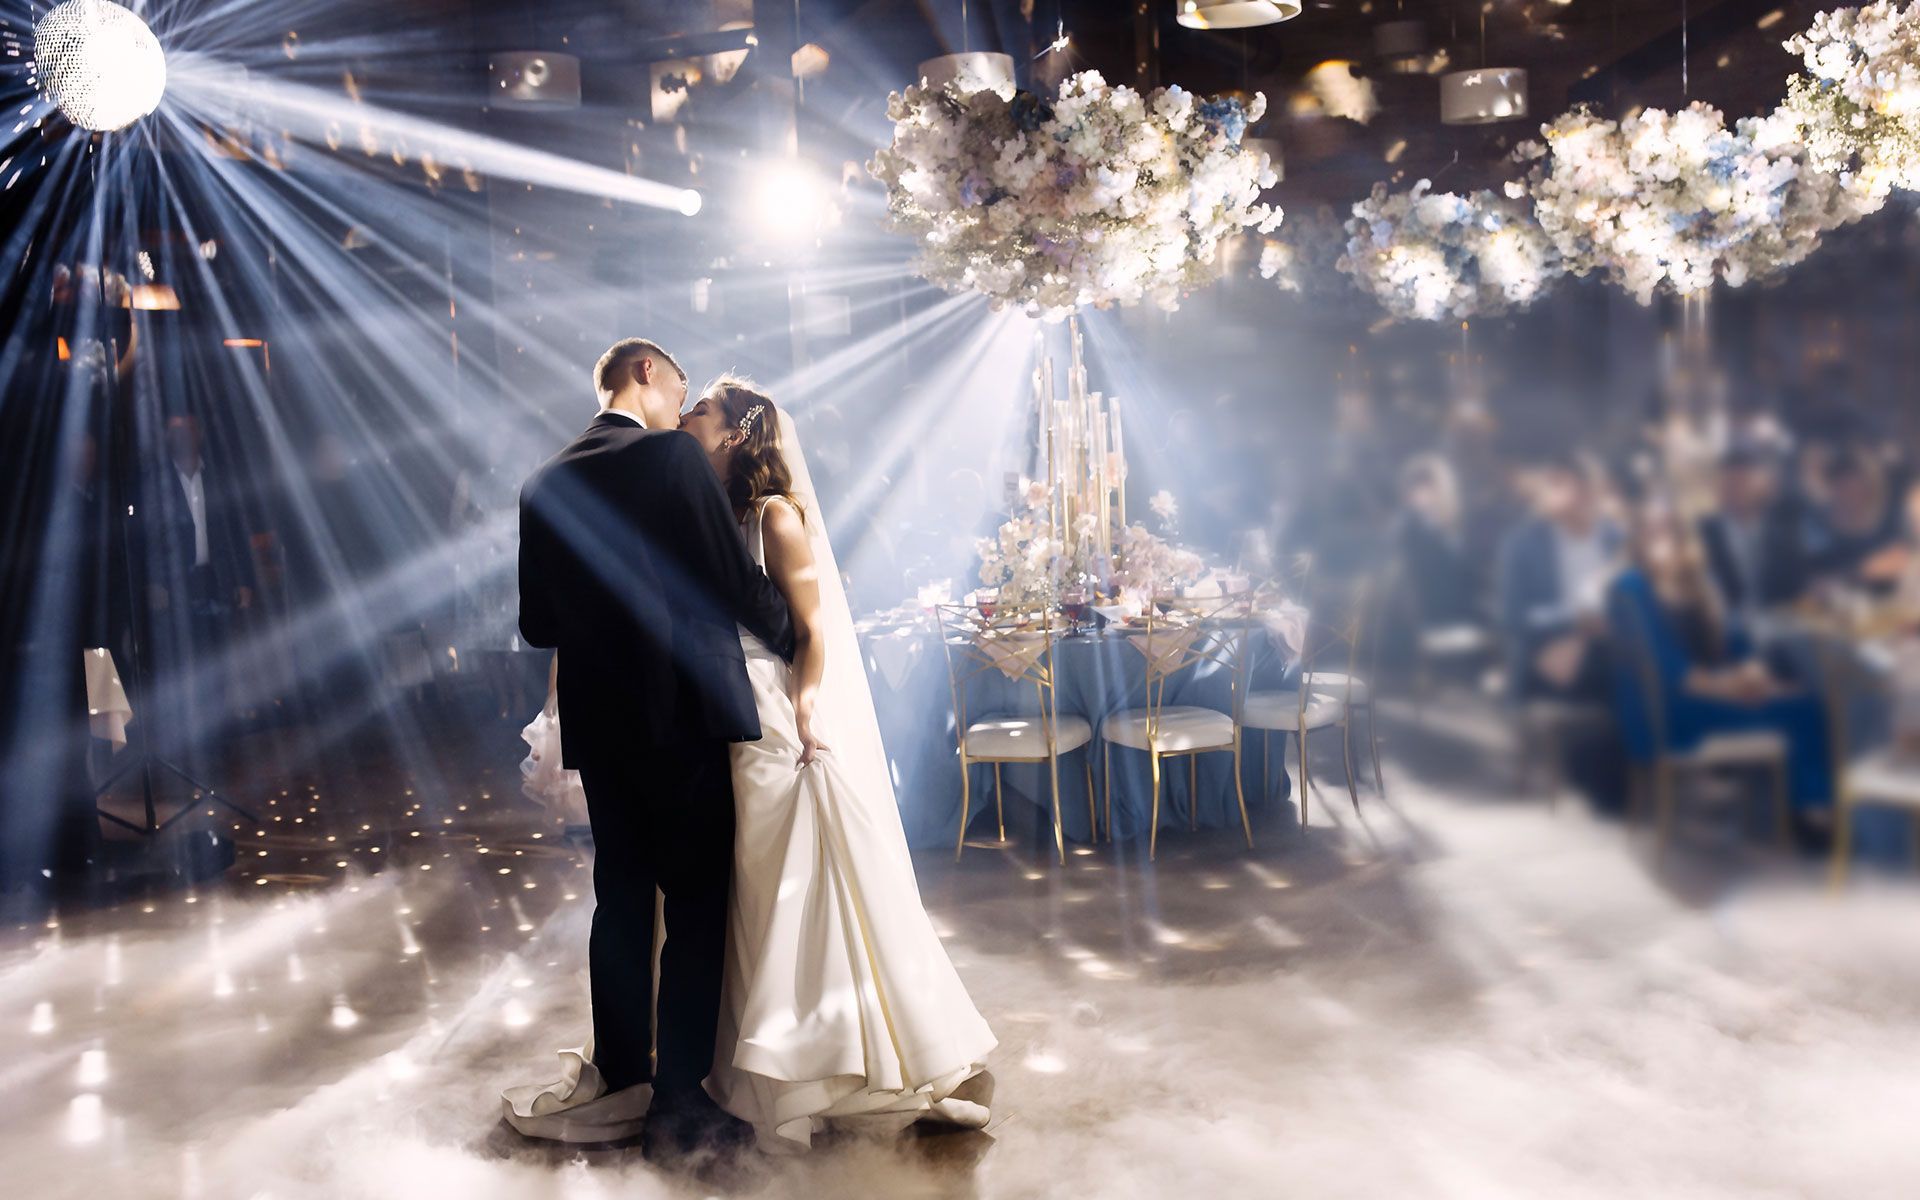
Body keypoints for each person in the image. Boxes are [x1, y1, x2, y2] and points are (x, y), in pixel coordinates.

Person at [678, 377, 994, 1152]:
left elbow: (812, 629)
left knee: (790, 886)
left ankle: (817, 1063)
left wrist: (807, 709)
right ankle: (758, 1061)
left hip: (772, 714)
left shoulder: (775, 517)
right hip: (719, 716)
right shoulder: (713, 515)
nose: (686, 415)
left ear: (736, 433)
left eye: (702, 409)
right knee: (749, 889)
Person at [511, 339, 795, 1163]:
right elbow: (730, 581)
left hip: (601, 724)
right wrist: (798, 636)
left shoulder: (545, 482)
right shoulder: (672, 456)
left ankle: (623, 1075)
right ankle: (679, 1104)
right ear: (645, 374)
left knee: (623, 898)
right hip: (681, 709)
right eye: (679, 385)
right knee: (697, 907)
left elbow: (537, 624)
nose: (682, 402)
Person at [1606, 504, 1833, 820]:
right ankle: (1809, 813)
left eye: (1669, 529)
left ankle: (1800, 808)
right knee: (1796, 712)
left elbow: (1736, 641)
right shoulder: (1631, 586)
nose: (1661, 537)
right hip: (1667, 711)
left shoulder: (1701, 581)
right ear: (1638, 537)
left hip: (1712, 693)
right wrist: (1730, 689)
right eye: (1650, 530)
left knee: (1805, 700)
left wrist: (1752, 670)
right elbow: (1668, 669)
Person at [1496, 453, 1624, 702]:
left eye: (1566, 484)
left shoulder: (1614, 538)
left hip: (1615, 643)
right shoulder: (1521, 545)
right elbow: (1513, 617)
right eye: (1553, 484)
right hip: (1549, 649)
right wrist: (1574, 621)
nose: (1558, 494)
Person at [1697, 443, 1809, 616]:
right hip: (1726, 625)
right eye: (1729, 484)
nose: (1737, 491)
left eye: (1744, 483)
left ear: (1763, 487)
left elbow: (1797, 586)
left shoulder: (1784, 531)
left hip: (1782, 621)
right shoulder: (1703, 534)